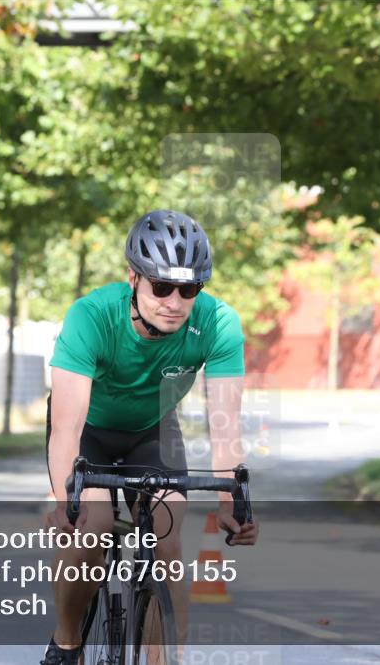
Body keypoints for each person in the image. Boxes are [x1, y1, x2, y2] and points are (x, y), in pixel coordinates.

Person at [41, 209, 259, 664]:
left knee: (167, 537)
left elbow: (224, 422)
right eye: (160, 287)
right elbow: (67, 425)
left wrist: (229, 505)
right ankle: (65, 644)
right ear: (134, 279)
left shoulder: (218, 324)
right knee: (92, 528)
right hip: (89, 431)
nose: (174, 301)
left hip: (152, 429)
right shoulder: (91, 316)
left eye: (188, 289)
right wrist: (64, 499)